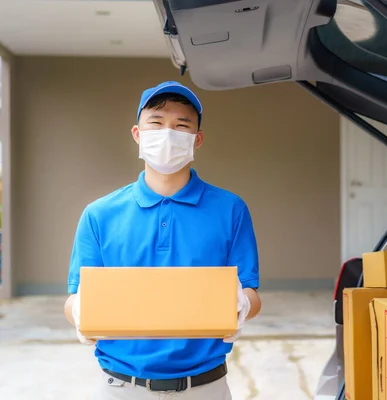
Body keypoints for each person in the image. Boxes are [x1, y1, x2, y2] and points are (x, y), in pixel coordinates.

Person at [63, 81, 261, 399]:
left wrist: (241, 303)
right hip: (121, 386)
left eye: (181, 125)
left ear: (197, 140)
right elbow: (75, 297)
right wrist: (79, 310)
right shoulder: (99, 214)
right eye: (156, 123)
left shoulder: (230, 209)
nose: (168, 133)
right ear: (138, 135)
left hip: (204, 386)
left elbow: (250, 292)